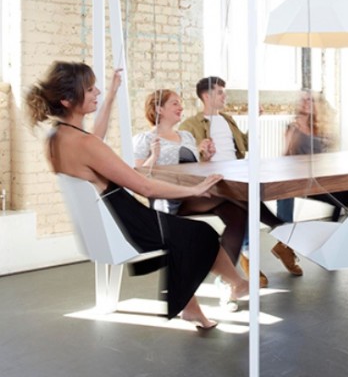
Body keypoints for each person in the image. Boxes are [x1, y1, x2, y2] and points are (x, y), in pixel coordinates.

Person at [25, 61, 249, 330]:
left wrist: (110, 96)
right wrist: (194, 189)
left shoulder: (57, 137)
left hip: (112, 220)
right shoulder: (86, 144)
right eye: (90, 88)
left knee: (186, 234)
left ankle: (201, 303)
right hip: (130, 223)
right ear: (67, 99)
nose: (96, 91)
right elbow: (146, 187)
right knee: (201, 234)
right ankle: (233, 285)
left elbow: (93, 140)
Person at [182, 76, 304, 278]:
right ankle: (279, 232)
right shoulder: (191, 124)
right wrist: (200, 150)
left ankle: (267, 241)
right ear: (206, 95)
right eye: (220, 92)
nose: (225, 95)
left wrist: (255, 120)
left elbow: (244, 144)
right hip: (215, 180)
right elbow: (184, 153)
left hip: (237, 172)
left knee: (274, 188)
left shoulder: (228, 120)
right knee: (246, 202)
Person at [274, 90, 348, 273]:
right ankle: (284, 244)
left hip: (320, 181)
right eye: (303, 100)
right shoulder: (293, 127)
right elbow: (285, 157)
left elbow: (329, 160)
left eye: (310, 100)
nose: (306, 103)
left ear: (317, 105)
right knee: (284, 190)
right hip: (298, 181)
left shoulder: (322, 128)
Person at [133, 89, 248, 268]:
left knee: (238, 214)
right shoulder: (145, 139)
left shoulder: (186, 136)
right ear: (159, 109)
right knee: (236, 195)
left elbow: (193, 168)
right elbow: (138, 176)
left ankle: (227, 277)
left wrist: (206, 156)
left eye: (180, 103)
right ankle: (278, 225)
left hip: (193, 194)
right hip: (169, 199)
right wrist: (153, 157)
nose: (181, 107)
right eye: (175, 103)